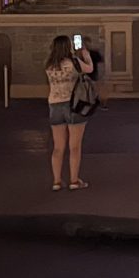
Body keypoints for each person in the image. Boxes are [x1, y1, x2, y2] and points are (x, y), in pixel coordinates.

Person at [45, 35, 93, 191]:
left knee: (58, 147)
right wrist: (85, 55)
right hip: (73, 105)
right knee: (75, 146)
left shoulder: (49, 65)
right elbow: (89, 69)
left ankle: (56, 181)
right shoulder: (73, 63)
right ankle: (74, 180)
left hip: (55, 104)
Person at [82, 36, 108, 110]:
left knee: (94, 90)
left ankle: (96, 103)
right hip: (85, 74)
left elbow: (100, 62)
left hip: (92, 74)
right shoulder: (81, 53)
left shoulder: (93, 53)